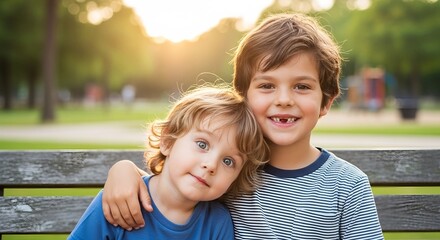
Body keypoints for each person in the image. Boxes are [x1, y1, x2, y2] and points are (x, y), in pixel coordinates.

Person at [101, 13, 384, 239]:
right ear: (243, 96)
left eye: (301, 86)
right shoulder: (229, 169)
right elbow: (174, 183)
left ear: (326, 103)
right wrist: (124, 170)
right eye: (266, 86)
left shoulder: (347, 185)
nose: (283, 100)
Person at [68, 86, 269, 239]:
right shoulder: (120, 200)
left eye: (228, 161)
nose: (211, 165)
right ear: (167, 141)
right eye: (202, 144)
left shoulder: (217, 224)